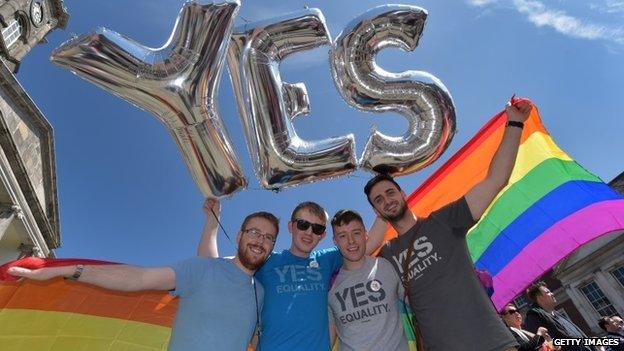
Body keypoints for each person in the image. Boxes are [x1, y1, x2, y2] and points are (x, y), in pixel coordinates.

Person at [363, 99, 532, 351]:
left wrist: (515, 122)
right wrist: (380, 218)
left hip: (493, 343)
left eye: (390, 193)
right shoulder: (386, 255)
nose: (387, 201)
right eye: (378, 201)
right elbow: (358, 255)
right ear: (375, 211)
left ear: (404, 195)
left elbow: (496, 180)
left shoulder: (445, 220)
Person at [8, 211, 279, 351]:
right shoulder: (202, 269)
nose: (260, 241)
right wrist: (70, 270)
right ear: (240, 234)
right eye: (254, 232)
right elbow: (139, 277)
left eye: (268, 238)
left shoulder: (262, 293)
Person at [198, 200, 385, 350]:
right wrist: (212, 221)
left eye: (317, 229)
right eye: (303, 225)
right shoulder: (266, 259)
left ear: (323, 235)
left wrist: (383, 203)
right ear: (291, 226)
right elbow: (211, 268)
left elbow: (367, 245)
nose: (309, 232)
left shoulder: (328, 259)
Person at [328, 209, 408, 351]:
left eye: (356, 233)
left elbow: (417, 302)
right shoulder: (329, 283)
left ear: (366, 234)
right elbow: (328, 335)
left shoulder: (386, 265)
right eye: (342, 236)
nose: (351, 241)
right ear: (335, 241)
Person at [524, 282, 593, 351]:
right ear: (540, 298)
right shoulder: (533, 317)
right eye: (548, 292)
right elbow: (542, 345)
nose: (552, 294)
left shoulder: (557, 315)